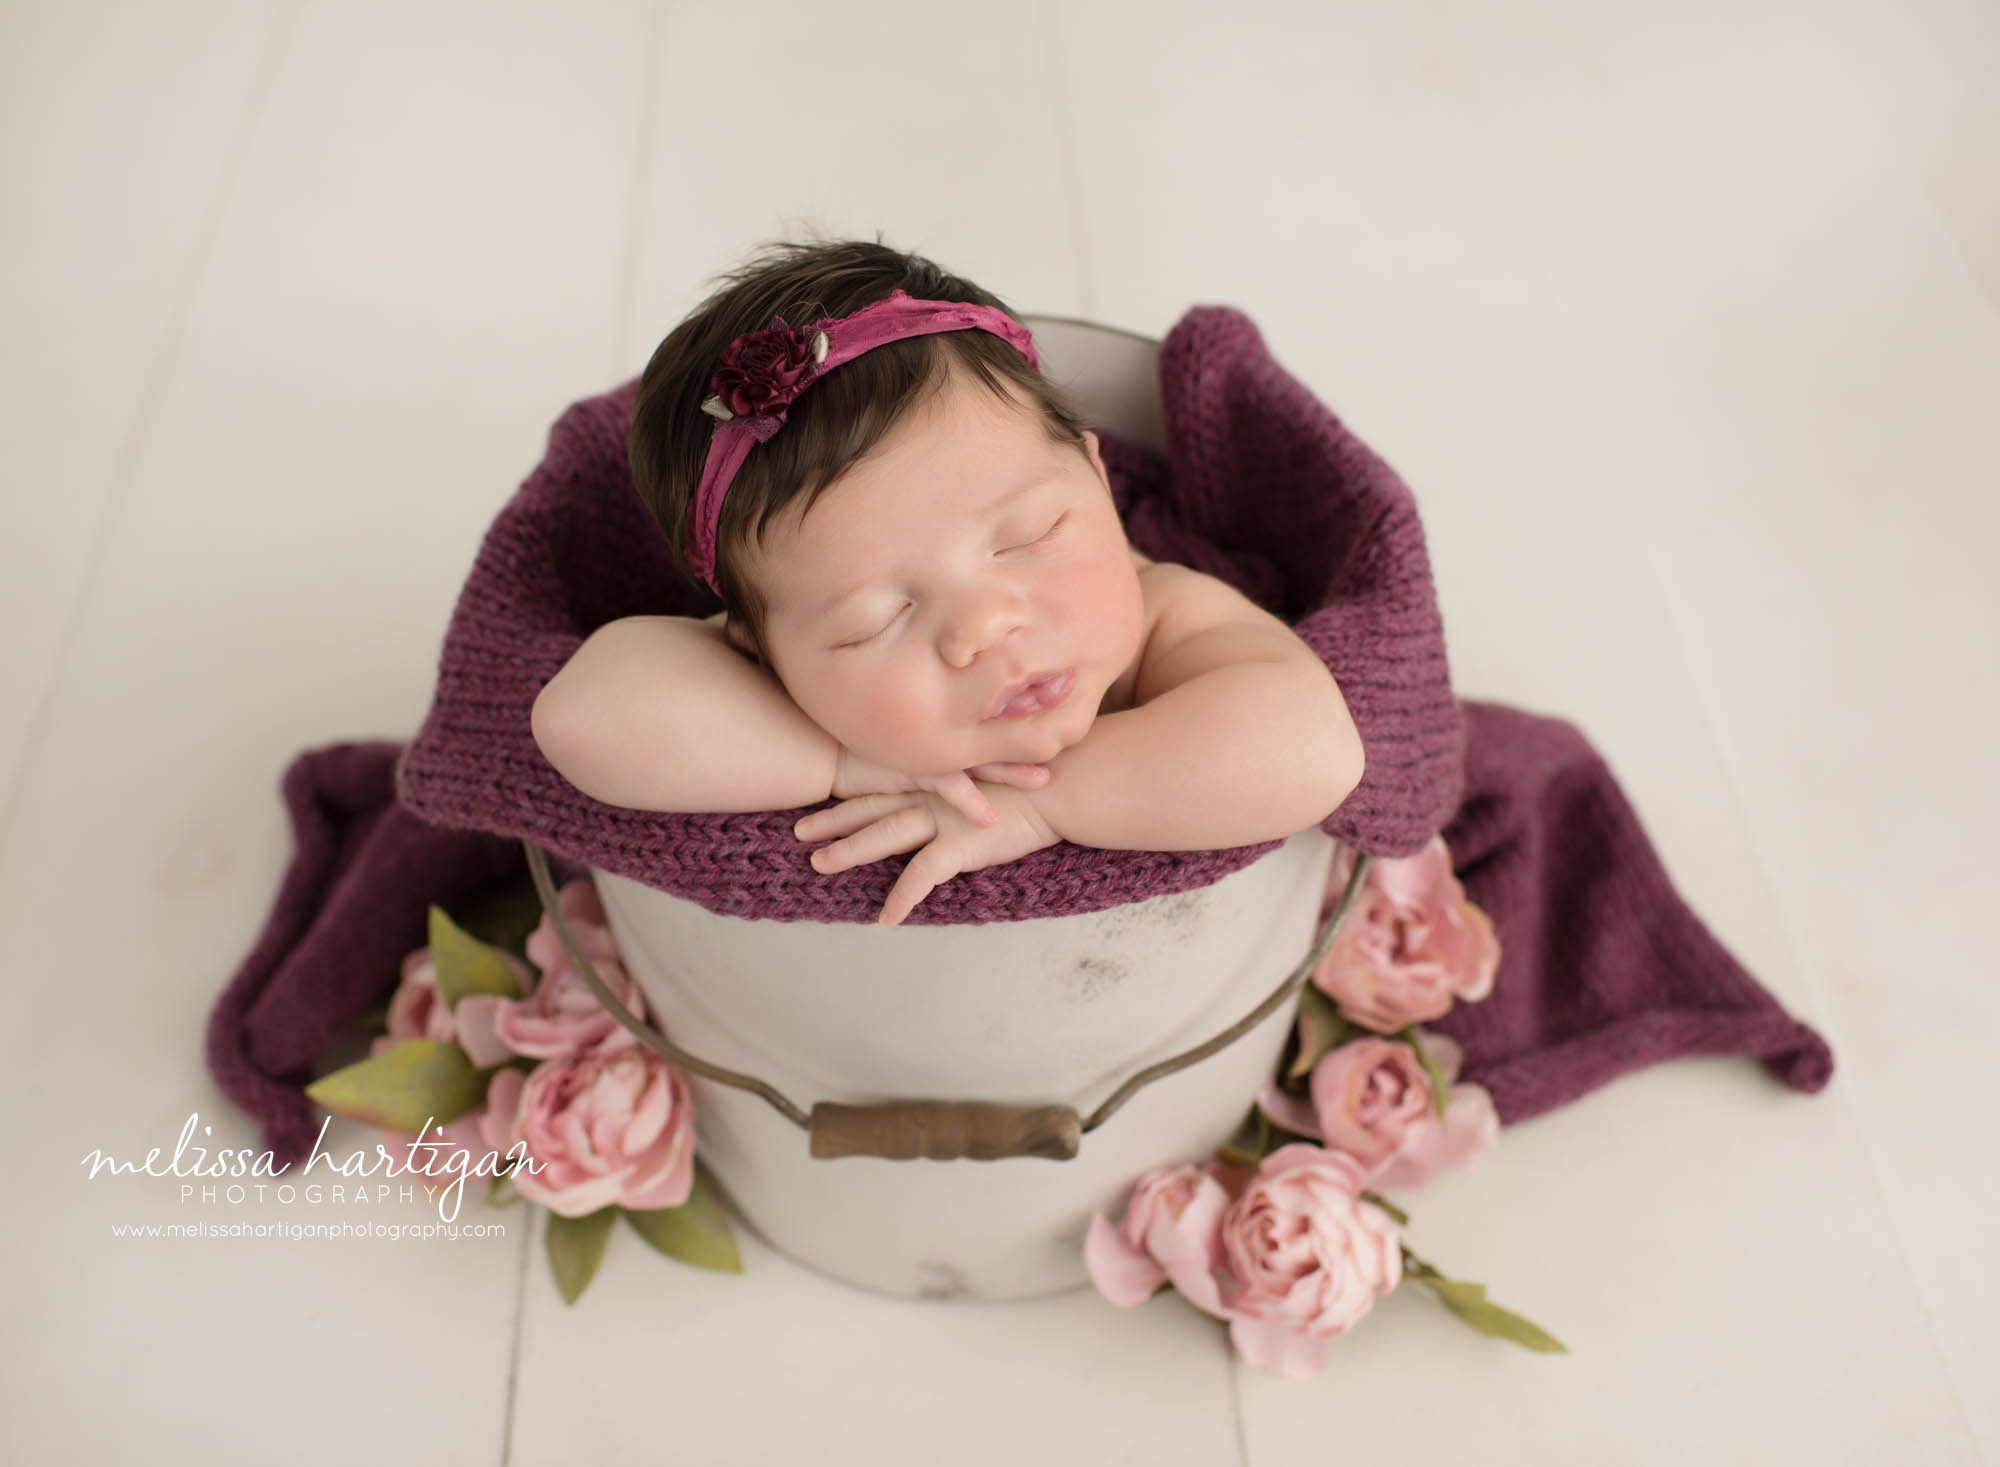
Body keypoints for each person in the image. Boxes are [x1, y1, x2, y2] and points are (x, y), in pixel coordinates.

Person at [530, 237, 1364, 925]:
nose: (985, 625)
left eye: (1028, 537)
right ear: (761, 651)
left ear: (1097, 474)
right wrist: (840, 760)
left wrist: (1042, 805)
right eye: (877, 619)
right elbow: (579, 717)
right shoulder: (796, 682)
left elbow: (1314, 749)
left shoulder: (1168, 615)